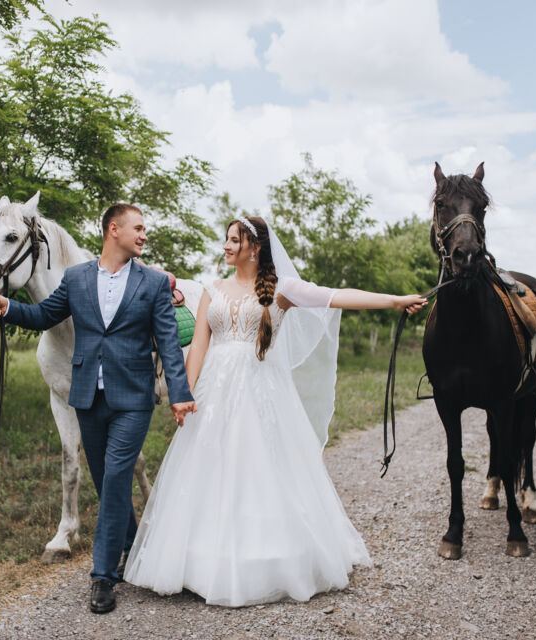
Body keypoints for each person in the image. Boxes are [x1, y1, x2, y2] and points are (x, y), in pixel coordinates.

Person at [123, 216, 427, 607]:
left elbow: (337, 295)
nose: (227, 246)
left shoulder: (283, 290)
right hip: (214, 392)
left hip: (261, 391)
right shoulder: (212, 290)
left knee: (259, 466)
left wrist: (395, 301)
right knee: (207, 466)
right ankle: (198, 558)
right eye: (227, 240)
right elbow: (198, 345)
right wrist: (184, 392)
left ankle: (264, 556)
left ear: (255, 247)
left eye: (235, 240)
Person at [0, 203, 196, 615]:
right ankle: (134, 546)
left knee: (117, 474)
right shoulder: (77, 278)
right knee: (107, 482)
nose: (144, 235)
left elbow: (169, 343)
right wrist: (8, 309)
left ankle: (103, 575)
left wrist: (179, 392)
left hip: (134, 399)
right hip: (87, 397)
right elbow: (45, 314)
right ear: (113, 230)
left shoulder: (153, 283)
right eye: (138, 228)